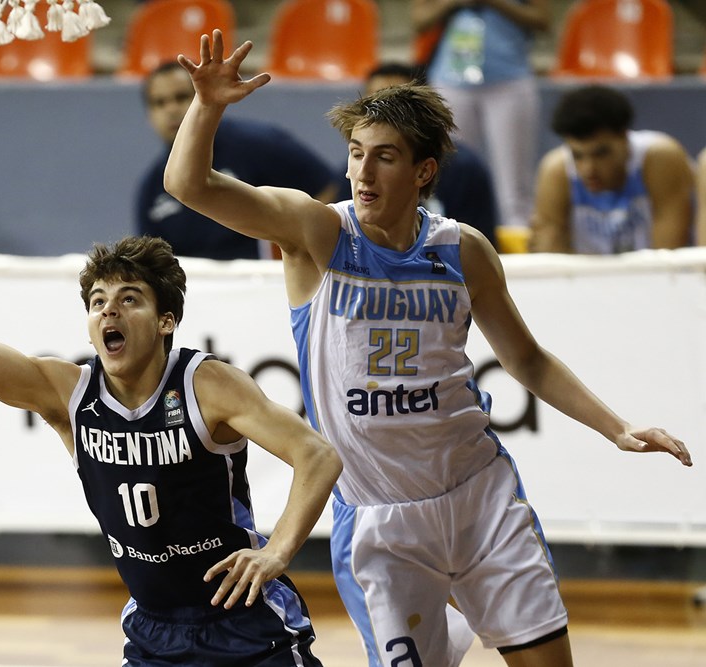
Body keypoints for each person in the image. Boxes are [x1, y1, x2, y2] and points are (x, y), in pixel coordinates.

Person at [163, 30, 693, 667]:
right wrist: (208, 106)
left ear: (424, 171)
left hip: (479, 496)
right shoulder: (317, 232)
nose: (362, 170)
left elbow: (527, 359)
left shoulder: (461, 248)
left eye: (384, 156)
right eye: (356, 153)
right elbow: (188, 184)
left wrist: (618, 427)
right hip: (380, 520)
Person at [0, 183, 342, 666]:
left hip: (246, 625)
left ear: (165, 320)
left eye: (129, 299)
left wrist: (276, 553)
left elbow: (317, 456)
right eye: (98, 301)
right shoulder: (69, 393)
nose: (109, 310)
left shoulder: (206, 384)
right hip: (153, 628)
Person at [137, 61, 340, 260]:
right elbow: (154, 263)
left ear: (200, 99)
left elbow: (327, 189)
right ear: (149, 115)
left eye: (181, 98)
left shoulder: (258, 143)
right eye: (159, 103)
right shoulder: (152, 187)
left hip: (267, 281)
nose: (171, 110)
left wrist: (297, 250)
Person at [413, 0, 548, 233]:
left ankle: (519, 246)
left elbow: (542, 20)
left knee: (514, 185)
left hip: (509, 79)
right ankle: (449, 240)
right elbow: (419, 20)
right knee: (454, 171)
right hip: (451, 78)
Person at [338, 61, 498, 248]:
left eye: (395, 102)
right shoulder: (354, 172)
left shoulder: (466, 170)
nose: (380, 111)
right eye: (372, 100)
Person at [530, 84, 695, 254]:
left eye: (601, 153)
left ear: (624, 137)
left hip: (651, 277)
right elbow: (551, 259)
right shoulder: (556, 171)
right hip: (586, 279)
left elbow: (668, 258)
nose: (588, 170)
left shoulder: (660, 158)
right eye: (577, 156)